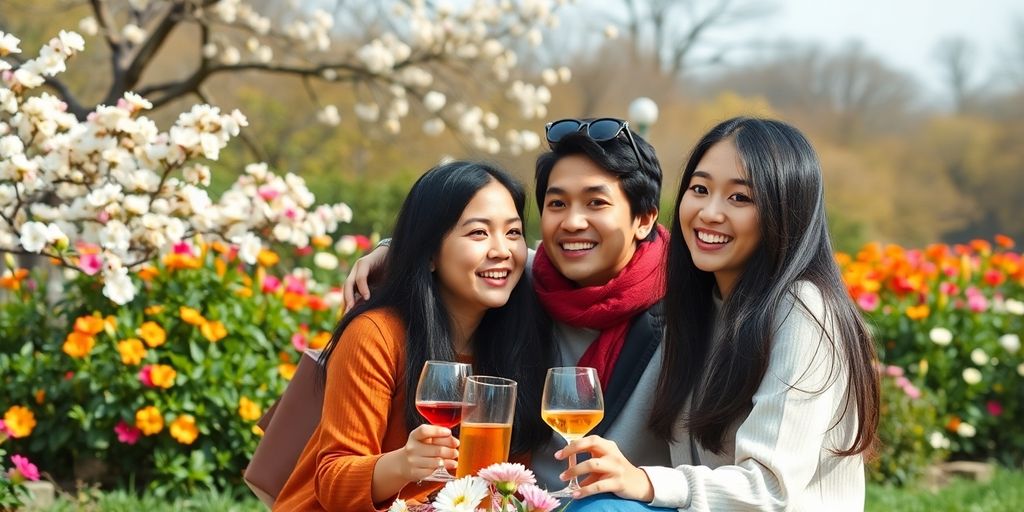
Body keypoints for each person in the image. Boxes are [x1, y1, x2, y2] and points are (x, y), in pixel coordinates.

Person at [558, 117, 881, 511]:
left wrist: (644, 481)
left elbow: (770, 489)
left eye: (740, 198)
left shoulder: (802, 310)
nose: (709, 213)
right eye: (700, 189)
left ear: (784, 210)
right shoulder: (700, 307)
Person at [344, 118, 672, 491]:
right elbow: (460, 246)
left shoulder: (685, 312)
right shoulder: (525, 280)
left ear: (644, 219)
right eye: (558, 203)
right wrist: (393, 252)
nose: (573, 221)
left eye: (596, 202)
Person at [273, 161, 552, 511]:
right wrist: (403, 463)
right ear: (430, 252)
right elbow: (333, 481)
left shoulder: (516, 344)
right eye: (478, 233)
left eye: (512, 233)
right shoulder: (377, 335)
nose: (501, 250)